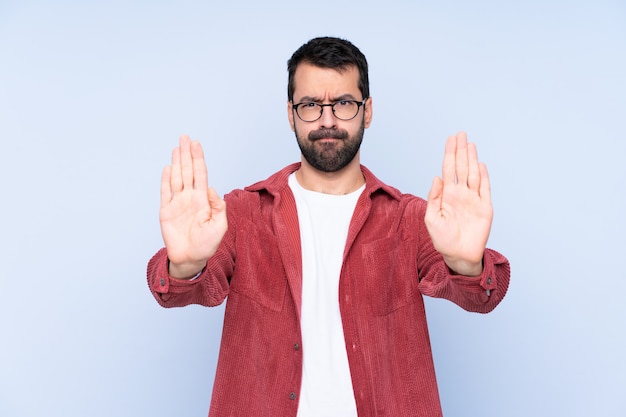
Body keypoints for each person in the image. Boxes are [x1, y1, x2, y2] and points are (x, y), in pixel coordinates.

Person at [147, 36, 510, 417]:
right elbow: (176, 291)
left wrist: (467, 265)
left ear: (367, 111)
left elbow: (482, 296)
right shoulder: (242, 214)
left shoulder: (411, 219)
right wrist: (185, 266)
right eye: (310, 106)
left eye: (344, 103)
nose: (327, 120)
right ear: (290, 114)